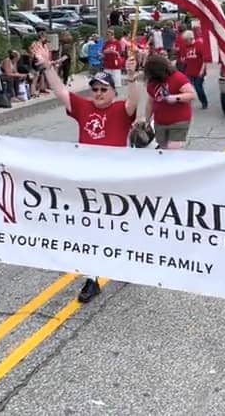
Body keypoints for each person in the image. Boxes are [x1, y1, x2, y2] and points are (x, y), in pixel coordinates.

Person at [34, 48, 141, 304]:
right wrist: (48, 67)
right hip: (87, 183)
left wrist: (132, 77)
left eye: (104, 89)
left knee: (117, 227)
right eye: (95, 89)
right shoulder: (83, 107)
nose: (99, 94)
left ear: (113, 92)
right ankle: (92, 279)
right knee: (90, 231)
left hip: (115, 183)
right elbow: (61, 92)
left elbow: (135, 102)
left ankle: (127, 260)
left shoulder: (120, 110)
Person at [143, 54, 195, 149]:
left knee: (173, 150)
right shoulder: (152, 83)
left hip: (179, 121)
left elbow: (191, 94)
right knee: (163, 149)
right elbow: (150, 102)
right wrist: (147, 120)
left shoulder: (178, 78)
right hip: (160, 122)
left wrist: (175, 98)